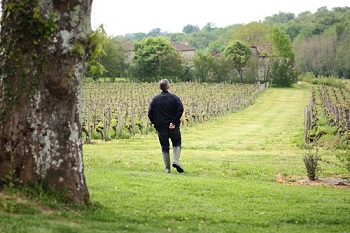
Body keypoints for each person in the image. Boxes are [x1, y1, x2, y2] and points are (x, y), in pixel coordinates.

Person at [148, 79, 184, 173]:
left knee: (164, 147)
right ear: (168, 87)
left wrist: (155, 123)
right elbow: (180, 109)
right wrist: (173, 122)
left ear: (160, 87)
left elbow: (150, 113)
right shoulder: (174, 98)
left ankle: (168, 169)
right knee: (177, 143)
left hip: (160, 127)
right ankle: (175, 160)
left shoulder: (155, 99)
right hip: (173, 127)